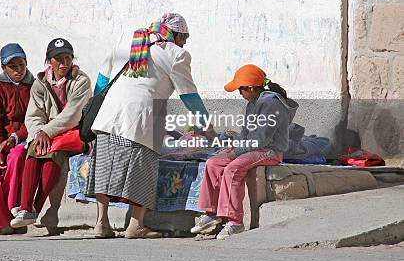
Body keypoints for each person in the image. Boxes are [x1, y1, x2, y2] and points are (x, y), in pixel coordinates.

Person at [86, 13, 212, 239]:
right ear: (176, 35)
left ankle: (101, 223)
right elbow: (189, 96)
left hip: (109, 116)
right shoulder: (177, 54)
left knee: (105, 169)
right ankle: (136, 225)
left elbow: (102, 80)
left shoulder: (129, 41)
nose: (185, 42)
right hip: (141, 120)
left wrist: (99, 108)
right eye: (185, 37)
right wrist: (208, 128)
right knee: (141, 173)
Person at [192, 64, 298, 239]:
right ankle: (211, 213)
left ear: (250, 88)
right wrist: (236, 147)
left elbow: (262, 139)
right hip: (252, 148)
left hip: (270, 151)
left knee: (233, 169)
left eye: (241, 90)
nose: (239, 94)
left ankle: (235, 221)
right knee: (213, 163)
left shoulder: (271, 103)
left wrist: (239, 151)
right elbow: (246, 134)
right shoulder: (252, 104)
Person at [10, 38, 92, 228]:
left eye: (67, 58)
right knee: (34, 148)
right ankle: (26, 208)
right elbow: (33, 115)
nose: (63, 64)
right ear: (49, 61)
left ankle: (34, 208)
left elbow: (72, 115)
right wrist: (39, 133)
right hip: (47, 132)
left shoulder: (81, 81)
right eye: (58, 59)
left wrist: (46, 131)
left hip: (73, 133)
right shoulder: (40, 83)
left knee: (53, 152)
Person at [0, 43, 34, 236]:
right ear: (4, 68)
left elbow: (36, 119)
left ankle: (12, 213)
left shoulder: (35, 87)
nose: (19, 70)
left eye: (21, 64)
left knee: (17, 157)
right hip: (0, 140)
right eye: (13, 66)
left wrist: (15, 137)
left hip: (24, 138)